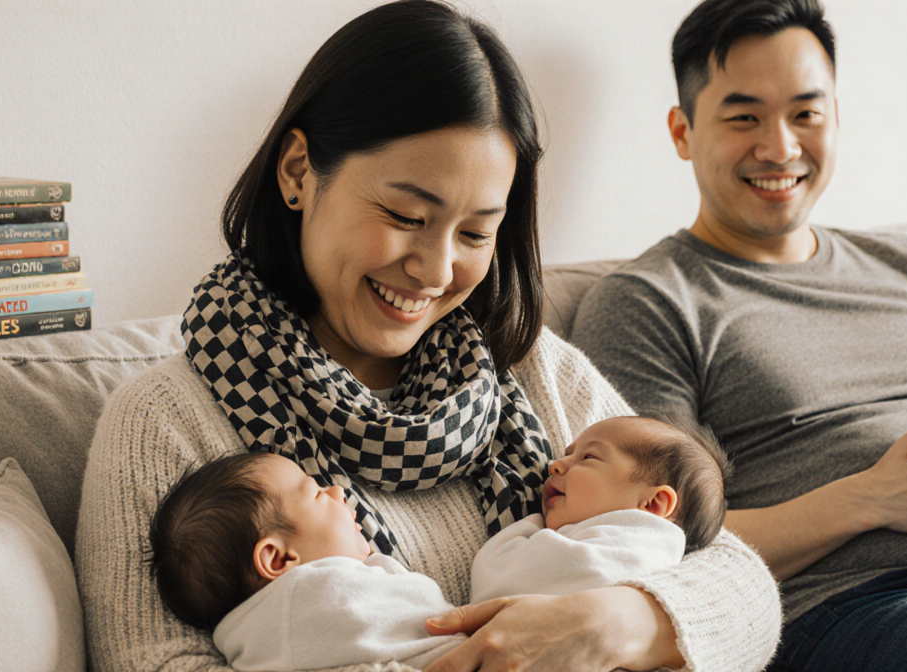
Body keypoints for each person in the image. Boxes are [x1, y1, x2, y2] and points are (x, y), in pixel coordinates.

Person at [74, 2, 781, 671]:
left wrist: (614, 623)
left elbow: (738, 581)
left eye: (475, 233)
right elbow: (155, 662)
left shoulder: (533, 370)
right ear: (298, 172)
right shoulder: (165, 423)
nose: (437, 271)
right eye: (407, 216)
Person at [570, 0, 907, 670]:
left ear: (836, 118)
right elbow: (653, 538)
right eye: (744, 117)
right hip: (861, 605)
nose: (781, 147)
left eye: (806, 114)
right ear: (683, 131)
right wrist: (869, 499)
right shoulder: (648, 302)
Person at [149, 451, 466, 671]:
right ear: (279, 559)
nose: (338, 491)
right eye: (316, 493)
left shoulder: (260, 640)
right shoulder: (307, 606)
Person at [471, 415, 730, 603]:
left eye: (589, 457)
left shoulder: (632, 552)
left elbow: (496, 585)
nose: (555, 465)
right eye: (567, 454)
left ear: (653, 504)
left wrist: (530, 525)